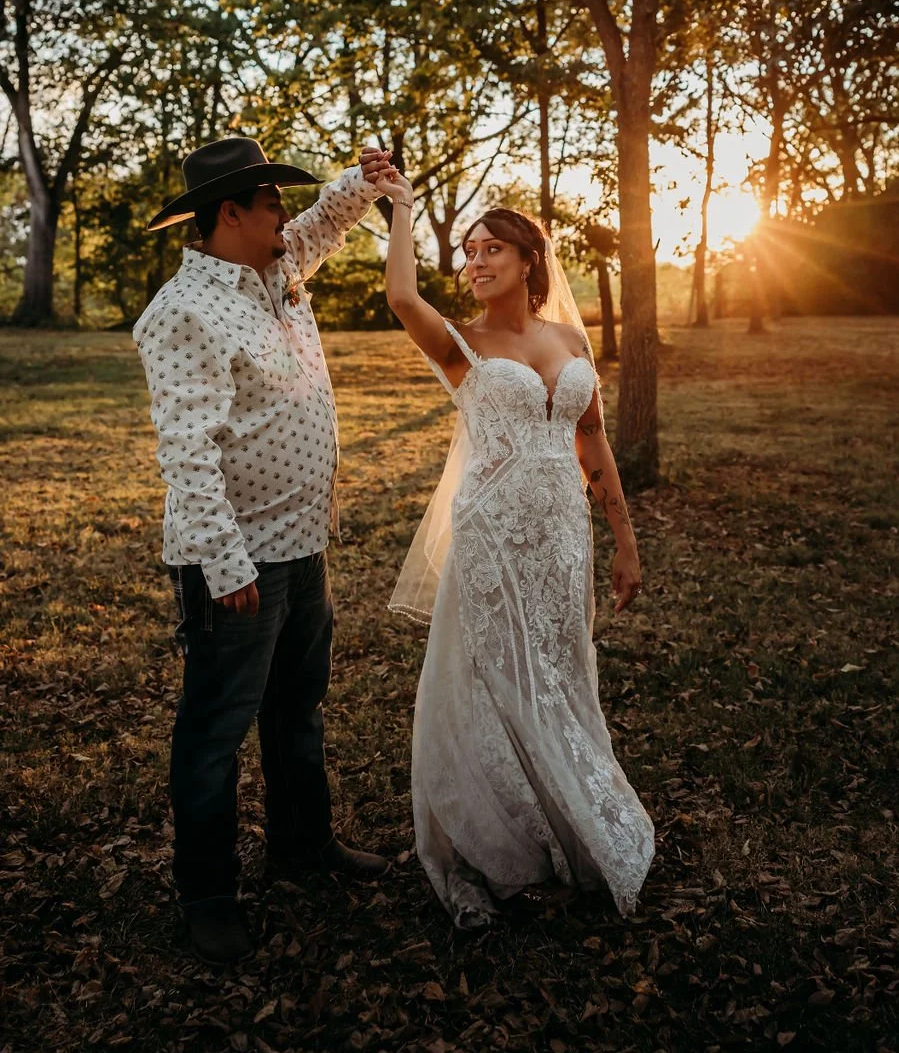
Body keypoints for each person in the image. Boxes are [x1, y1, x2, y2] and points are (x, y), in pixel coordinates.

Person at [134, 136, 391, 965]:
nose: (287, 214)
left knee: (296, 707)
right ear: (230, 214)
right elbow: (187, 450)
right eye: (272, 202)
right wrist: (223, 562)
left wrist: (364, 182)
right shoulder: (183, 311)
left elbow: (321, 224)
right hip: (239, 560)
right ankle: (207, 895)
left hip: (302, 542)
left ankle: (303, 844)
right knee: (217, 728)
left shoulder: (275, 270)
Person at [376, 166, 655, 928]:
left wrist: (624, 540)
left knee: (559, 668)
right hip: (492, 533)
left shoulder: (570, 338)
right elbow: (401, 296)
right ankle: (499, 837)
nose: (476, 262)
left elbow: (591, 439)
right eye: (469, 252)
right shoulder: (461, 342)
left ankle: (569, 805)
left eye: (492, 248)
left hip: (561, 534)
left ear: (530, 260)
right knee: (494, 676)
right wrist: (401, 208)